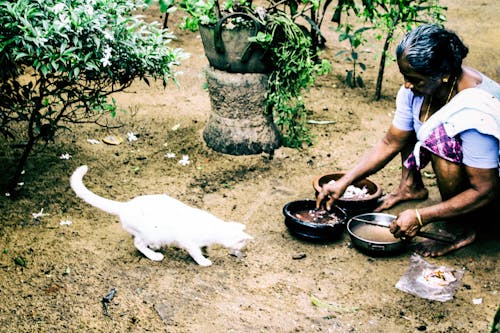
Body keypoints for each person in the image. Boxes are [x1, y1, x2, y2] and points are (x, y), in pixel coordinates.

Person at [316, 24, 500, 257]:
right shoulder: (423, 87)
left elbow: (485, 189)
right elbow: (391, 141)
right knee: (419, 123)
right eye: (405, 76)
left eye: (415, 79)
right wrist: (344, 181)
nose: (406, 85)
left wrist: (421, 216)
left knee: (440, 141)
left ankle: (462, 227)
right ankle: (410, 187)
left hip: (491, 195)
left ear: (443, 74)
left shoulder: (475, 112)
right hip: (478, 177)